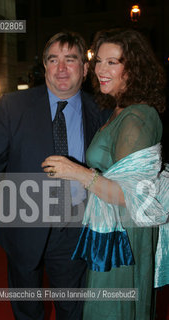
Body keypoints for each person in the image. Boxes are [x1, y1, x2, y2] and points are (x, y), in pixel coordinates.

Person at [0, 31, 110, 320]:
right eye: (53, 60)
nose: (61, 68)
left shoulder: (102, 112)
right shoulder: (14, 106)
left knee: (72, 309)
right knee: (27, 308)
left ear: (84, 70)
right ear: (44, 67)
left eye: (70, 60)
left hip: (75, 228)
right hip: (23, 225)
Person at [42, 28, 169, 320]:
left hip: (124, 237)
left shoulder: (136, 117)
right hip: (113, 231)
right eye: (98, 61)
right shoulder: (119, 110)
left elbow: (131, 195)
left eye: (113, 62)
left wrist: (77, 172)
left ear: (133, 68)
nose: (100, 69)